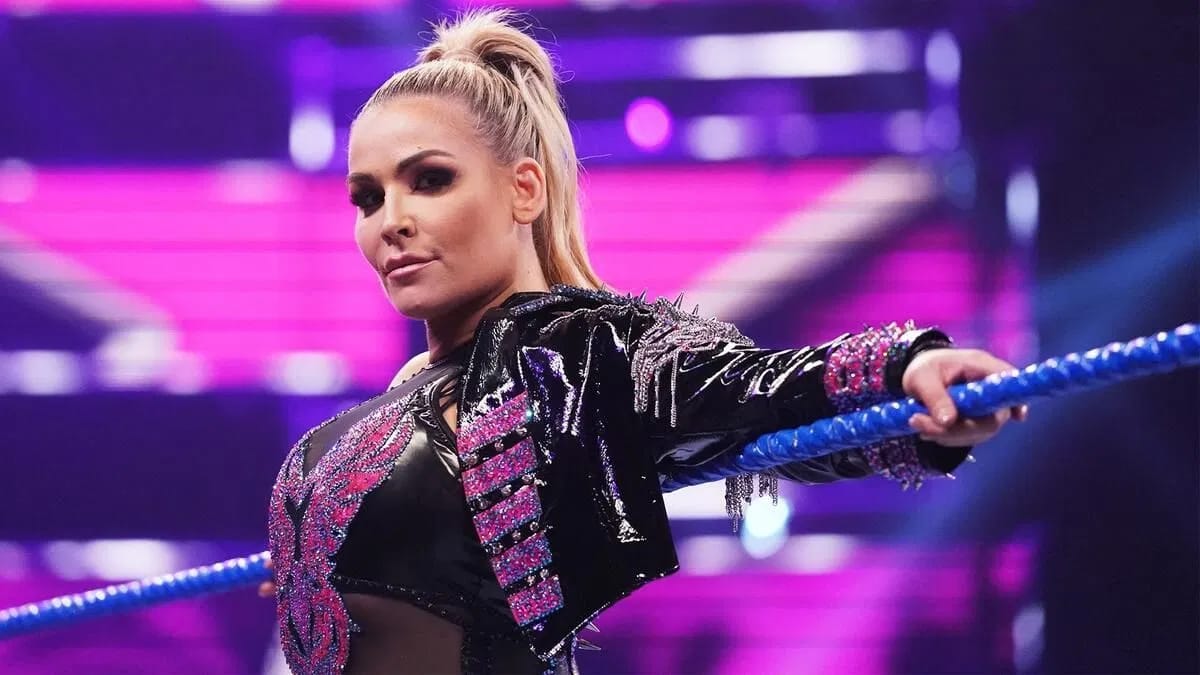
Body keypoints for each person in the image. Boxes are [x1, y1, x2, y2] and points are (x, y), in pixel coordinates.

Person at [264, 9, 1028, 674]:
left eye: (430, 180)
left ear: (523, 189)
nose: (390, 221)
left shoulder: (565, 356)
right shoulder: (406, 395)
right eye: (367, 197)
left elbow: (753, 391)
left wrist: (904, 373)